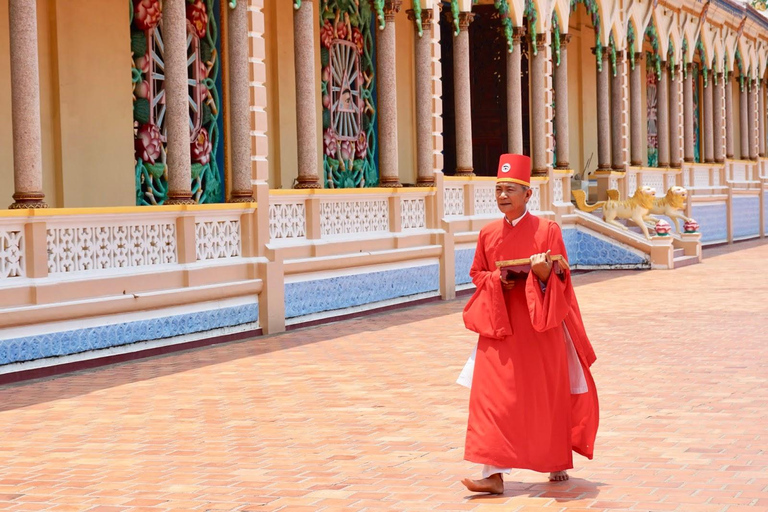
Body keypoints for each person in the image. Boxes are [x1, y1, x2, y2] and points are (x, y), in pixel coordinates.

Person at [460, 153, 599, 494]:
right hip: (501, 324)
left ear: (528, 195)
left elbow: (562, 277)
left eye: (510, 189)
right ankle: (492, 474)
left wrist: (542, 275)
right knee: (490, 397)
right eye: (498, 190)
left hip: (541, 327)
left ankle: (555, 460)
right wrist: (497, 279)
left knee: (543, 396)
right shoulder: (488, 233)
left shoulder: (547, 230)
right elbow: (477, 273)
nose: (503, 196)